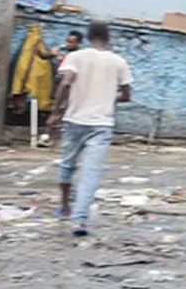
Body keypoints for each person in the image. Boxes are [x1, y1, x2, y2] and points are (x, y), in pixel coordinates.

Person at [47, 21, 133, 236]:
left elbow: (66, 82)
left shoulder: (76, 57)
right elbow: (126, 95)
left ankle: (65, 206)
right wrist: (109, 96)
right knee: (90, 172)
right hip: (101, 124)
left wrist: (55, 112)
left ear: (87, 36)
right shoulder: (118, 61)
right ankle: (79, 221)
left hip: (74, 120)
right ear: (108, 37)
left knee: (67, 164)